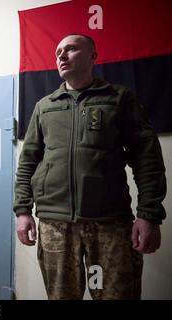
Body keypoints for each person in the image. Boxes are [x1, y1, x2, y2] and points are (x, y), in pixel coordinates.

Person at [14, 34, 167, 300]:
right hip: (55, 227)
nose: (61, 55)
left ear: (92, 56)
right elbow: (28, 162)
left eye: (71, 49)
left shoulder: (118, 99)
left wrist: (149, 214)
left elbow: (147, 158)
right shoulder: (45, 106)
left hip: (110, 226)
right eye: (58, 51)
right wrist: (23, 210)